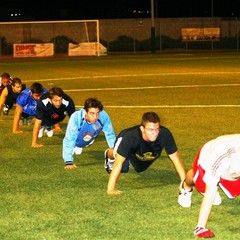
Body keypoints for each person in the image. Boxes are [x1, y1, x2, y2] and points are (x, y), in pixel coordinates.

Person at [105, 111, 186, 196]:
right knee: (121, 163)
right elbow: (118, 163)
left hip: (140, 150)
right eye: (150, 130)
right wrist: (111, 189)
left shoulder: (165, 134)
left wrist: (184, 184)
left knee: (140, 168)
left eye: (157, 129)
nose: (154, 133)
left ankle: (128, 156)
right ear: (142, 129)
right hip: (126, 140)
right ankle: (109, 154)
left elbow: (175, 158)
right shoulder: (130, 137)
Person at [178, 134, 240, 238]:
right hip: (208, 159)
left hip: (232, 172)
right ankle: (186, 187)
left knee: (234, 191)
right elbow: (210, 191)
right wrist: (201, 227)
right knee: (201, 184)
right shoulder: (222, 156)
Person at [62, 97, 116, 169]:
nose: (95, 117)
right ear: (85, 111)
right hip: (76, 139)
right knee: (74, 142)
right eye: (92, 113)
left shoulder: (103, 116)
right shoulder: (76, 117)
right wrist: (68, 161)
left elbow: (110, 134)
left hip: (89, 137)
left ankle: (81, 145)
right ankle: (76, 146)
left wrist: (115, 152)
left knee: (87, 139)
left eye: (97, 113)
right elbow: (69, 139)